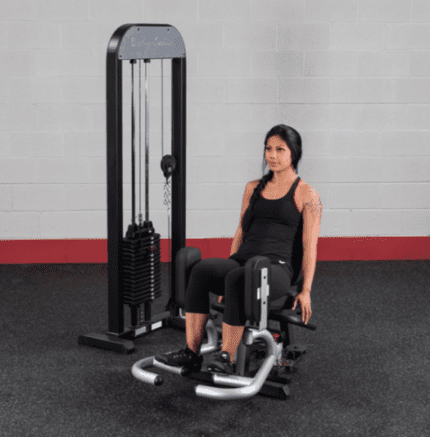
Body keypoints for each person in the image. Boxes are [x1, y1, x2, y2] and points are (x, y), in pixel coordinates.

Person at [155, 124, 322, 374]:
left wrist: (306, 289)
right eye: (268, 149)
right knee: (201, 270)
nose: (272, 155)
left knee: (237, 278)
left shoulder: (307, 194)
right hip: (243, 261)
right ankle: (191, 353)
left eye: (280, 149)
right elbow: (240, 233)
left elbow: (310, 247)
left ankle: (227, 357)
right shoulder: (253, 187)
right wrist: (230, 262)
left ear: (294, 154)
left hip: (275, 269)